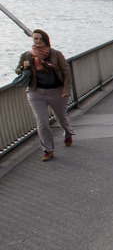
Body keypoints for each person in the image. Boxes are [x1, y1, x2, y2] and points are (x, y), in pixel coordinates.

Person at [15, 29, 74, 161]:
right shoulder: (27, 55)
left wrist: (66, 90)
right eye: (35, 39)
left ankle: (68, 133)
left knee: (62, 118)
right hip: (36, 92)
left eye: (40, 39)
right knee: (42, 122)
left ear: (46, 40)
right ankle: (48, 150)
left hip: (56, 91)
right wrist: (22, 68)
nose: (38, 41)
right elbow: (18, 71)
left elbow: (66, 73)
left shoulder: (56, 54)